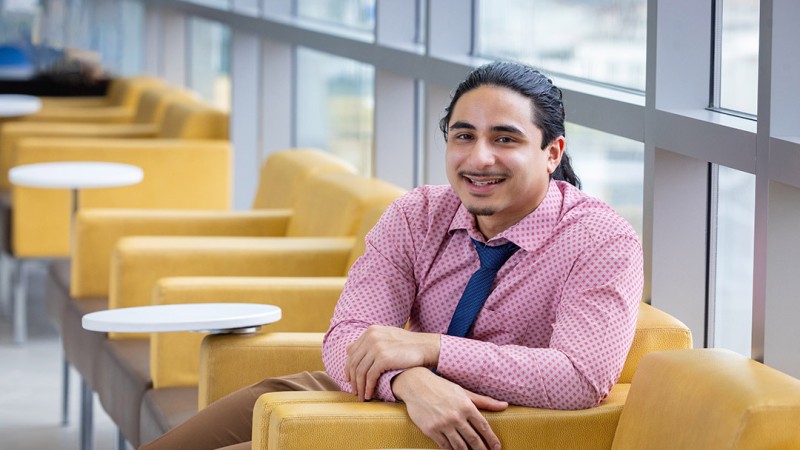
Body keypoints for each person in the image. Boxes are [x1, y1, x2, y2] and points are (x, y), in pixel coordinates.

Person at [141, 61, 643, 450]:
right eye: (463, 136)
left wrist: (431, 350)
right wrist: (408, 378)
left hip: (484, 420)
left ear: (552, 152)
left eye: (504, 139)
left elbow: (579, 378)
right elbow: (347, 334)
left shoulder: (601, 240)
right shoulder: (417, 214)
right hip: (389, 394)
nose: (478, 158)